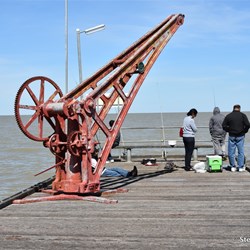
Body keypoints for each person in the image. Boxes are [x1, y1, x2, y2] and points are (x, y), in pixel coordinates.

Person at [222, 104, 250, 172]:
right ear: (239, 109)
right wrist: (244, 131)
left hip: (231, 136)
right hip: (240, 136)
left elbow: (223, 125)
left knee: (231, 152)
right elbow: (248, 125)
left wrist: (228, 130)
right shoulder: (243, 115)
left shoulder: (229, 116)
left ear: (233, 108)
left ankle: (233, 166)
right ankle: (240, 167)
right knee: (241, 152)